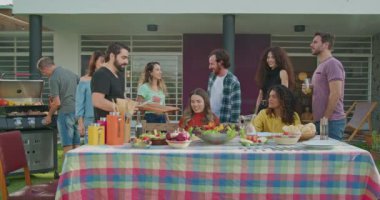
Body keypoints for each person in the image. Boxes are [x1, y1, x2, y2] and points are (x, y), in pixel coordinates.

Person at [304, 32, 346, 140]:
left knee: (331, 157)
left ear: (325, 45)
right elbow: (322, 90)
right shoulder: (321, 66)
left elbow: (336, 93)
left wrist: (325, 119)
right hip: (321, 121)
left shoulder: (332, 64)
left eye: (315, 42)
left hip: (331, 122)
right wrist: (310, 89)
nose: (311, 44)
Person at [37, 57, 79, 154]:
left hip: (65, 113)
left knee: (67, 145)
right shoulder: (71, 73)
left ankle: (67, 169)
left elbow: (57, 103)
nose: (44, 74)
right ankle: (77, 168)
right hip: (76, 112)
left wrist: (49, 115)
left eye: (43, 72)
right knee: (76, 144)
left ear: (45, 68)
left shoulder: (53, 78)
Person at [91, 42, 130, 120]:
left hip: (120, 123)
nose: (127, 62)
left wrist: (130, 104)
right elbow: (97, 101)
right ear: (112, 56)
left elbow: (118, 98)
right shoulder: (101, 74)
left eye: (127, 58)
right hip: (106, 126)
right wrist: (122, 108)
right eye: (123, 58)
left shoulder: (120, 75)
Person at [254, 46, 295, 114]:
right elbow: (260, 95)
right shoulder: (265, 74)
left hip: (274, 110)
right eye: (268, 57)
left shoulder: (282, 72)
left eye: (273, 57)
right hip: (262, 109)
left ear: (278, 58)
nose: (269, 60)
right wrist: (255, 114)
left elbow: (284, 95)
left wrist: (281, 113)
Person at [75, 50, 105, 143]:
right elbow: (79, 103)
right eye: (102, 61)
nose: (104, 64)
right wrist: (80, 123)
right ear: (94, 62)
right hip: (90, 120)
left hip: (106, 119)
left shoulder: (107, 80)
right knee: (91, 150)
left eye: (106, 62)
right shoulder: (84, 81)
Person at [207, 48, 241, 123]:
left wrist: (233, 128)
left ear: (220, 63)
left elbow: (236, 109)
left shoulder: (233, 81)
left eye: (212, 64)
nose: (209, 67)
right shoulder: (212, 77)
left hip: (224, 125)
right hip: (210, 122)